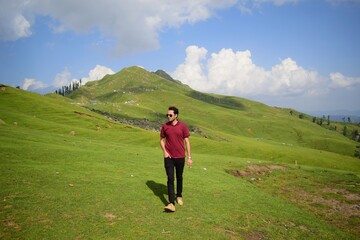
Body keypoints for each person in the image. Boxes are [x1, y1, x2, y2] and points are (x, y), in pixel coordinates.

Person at [160, 106, 192, 212]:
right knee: (170, 178)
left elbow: (187, 141)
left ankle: (179, 195)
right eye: (167, 115)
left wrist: (189, 157)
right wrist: (164, 152)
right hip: (169, 157)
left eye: (170, 115)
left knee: (179, 177)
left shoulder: (183, 126)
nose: (168, 116)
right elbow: (161, 140)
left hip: (180, 157)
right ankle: (171, 203)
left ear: (176, 115)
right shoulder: (165, 126)